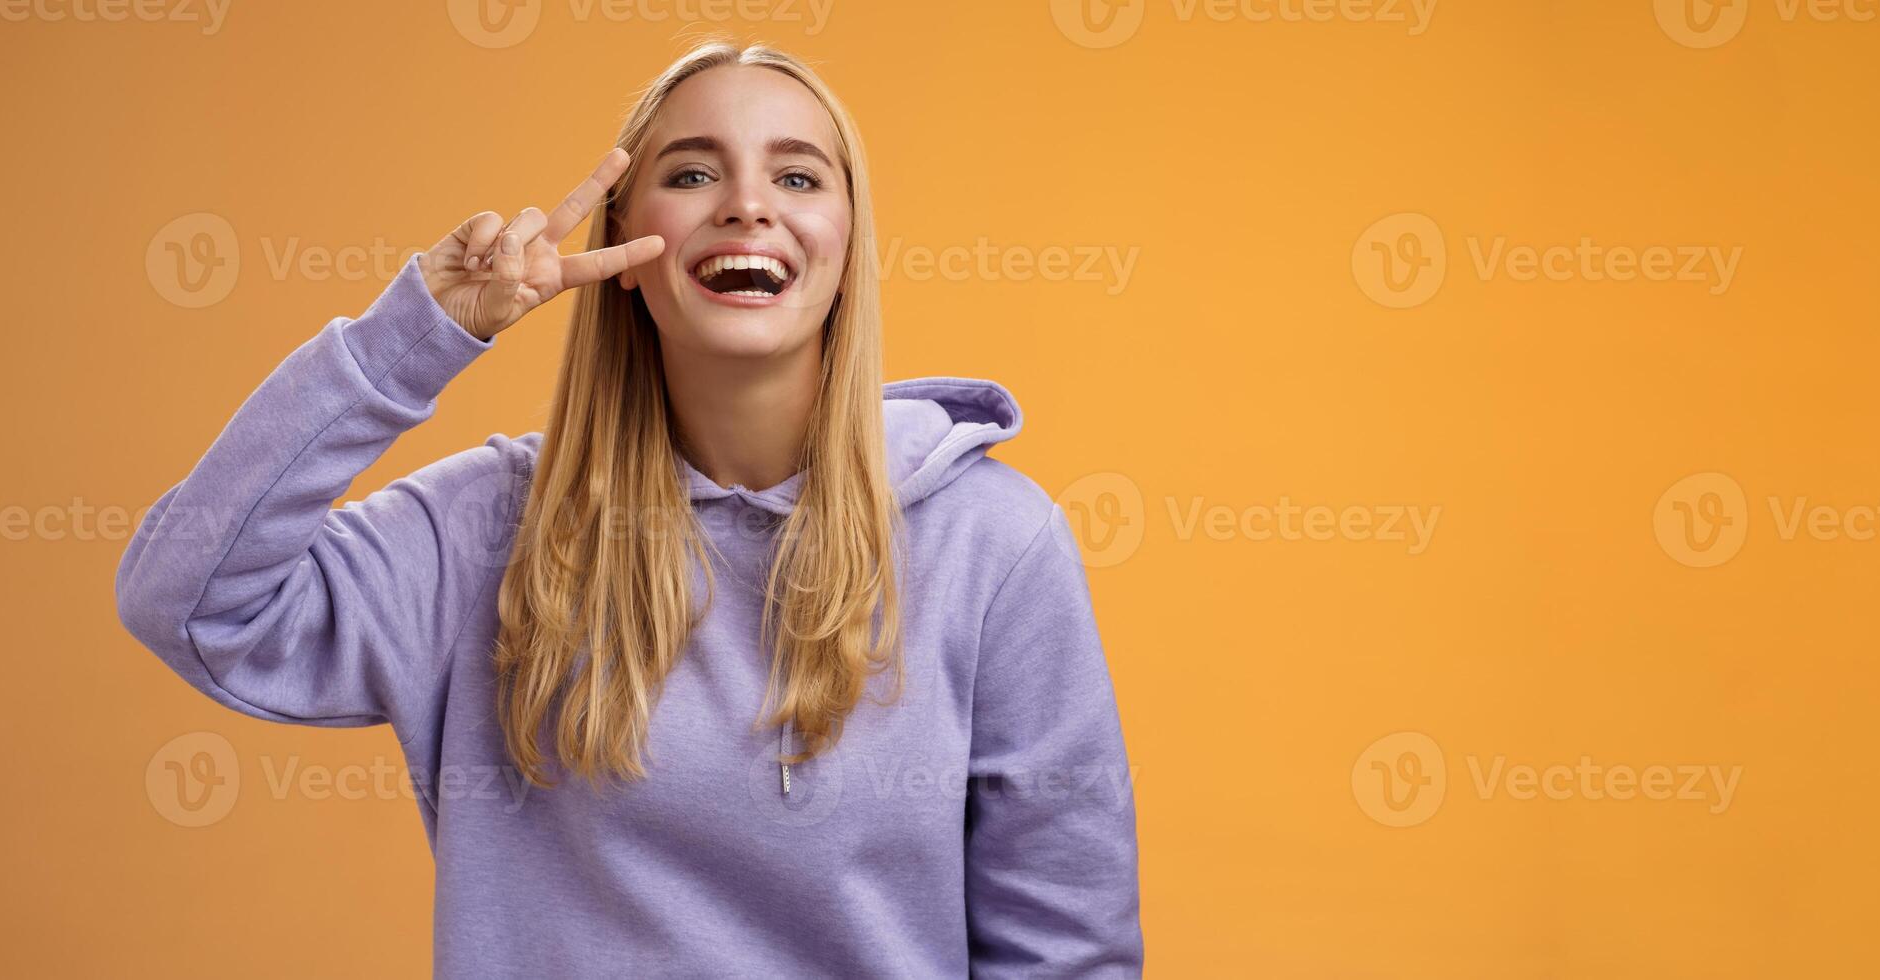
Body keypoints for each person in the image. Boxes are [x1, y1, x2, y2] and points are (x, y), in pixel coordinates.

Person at [115, 40, 1144, 977]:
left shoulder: (991, 541)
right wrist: (416, 336)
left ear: (846, 242)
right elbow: (189, 600)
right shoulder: (483, 532)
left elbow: (1067, 951)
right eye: (692, 173)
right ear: (621, 240)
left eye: (795, 175)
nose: (746, 204)